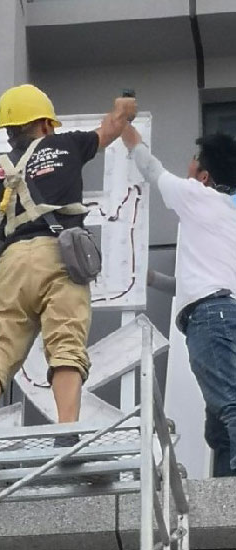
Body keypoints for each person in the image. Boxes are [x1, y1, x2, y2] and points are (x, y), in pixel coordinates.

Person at [0, 84, 136, 444]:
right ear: (46, 124)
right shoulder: (67, 146)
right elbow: (112, 127)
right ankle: (66, 432)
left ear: (9, 131)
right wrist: (124, 107)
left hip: (13, 261)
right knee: (65, 341)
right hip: (59, 253)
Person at [121, 125, 236, 475]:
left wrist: (129, 136)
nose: (188, 164)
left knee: (229, 407)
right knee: (219, 428)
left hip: (210, 320)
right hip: (225, 312)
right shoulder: (228, 213)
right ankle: (226, 491)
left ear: (204, 176)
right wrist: (152, 279)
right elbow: (201, 282)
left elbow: (152, 169)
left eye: (194, 160)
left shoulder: (196, 196)